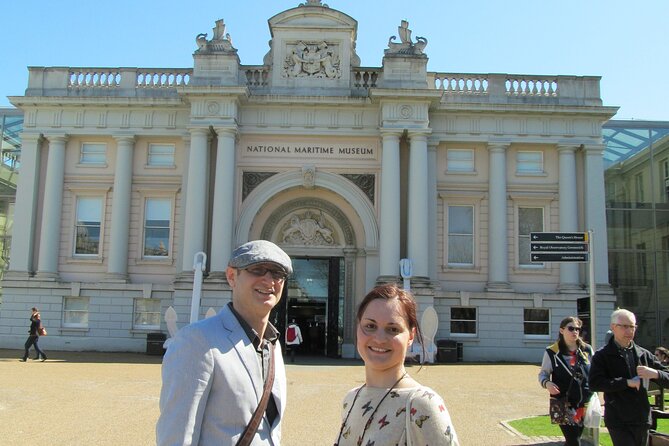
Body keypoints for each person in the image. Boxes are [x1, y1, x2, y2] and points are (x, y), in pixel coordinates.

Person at [157, 240, 292, 446]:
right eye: (257, 269)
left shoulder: (273, 345)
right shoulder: (196, 341)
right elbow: (177, 436)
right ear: (231, 276)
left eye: (277, 273)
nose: (268, 280)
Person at [334, 284, 459, 446]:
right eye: (370, 326)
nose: (379, 338)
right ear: (358, 328)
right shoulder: (350, 399)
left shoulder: (422, 404)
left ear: (411, 336)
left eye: (392, 329)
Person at [589, 308, 669, 446]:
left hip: (641, 418)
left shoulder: (643, 354)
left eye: (632, 326)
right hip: (618, 419)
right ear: (613, 327)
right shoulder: (602, 355)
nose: (629, 331)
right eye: (625, 326)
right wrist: (626, 382)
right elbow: (595, 383)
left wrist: (655, 373)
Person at [538, 316, 593, 445]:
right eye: (571, 328)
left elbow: (594, 373)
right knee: (574, 441)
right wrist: (547, 383)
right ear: (562, 330)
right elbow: (543, 375)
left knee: (573, 439)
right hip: (562, 402)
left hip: (583, 403)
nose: (575, 331)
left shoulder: (586, 350)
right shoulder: (552, 352)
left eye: (577, 329)